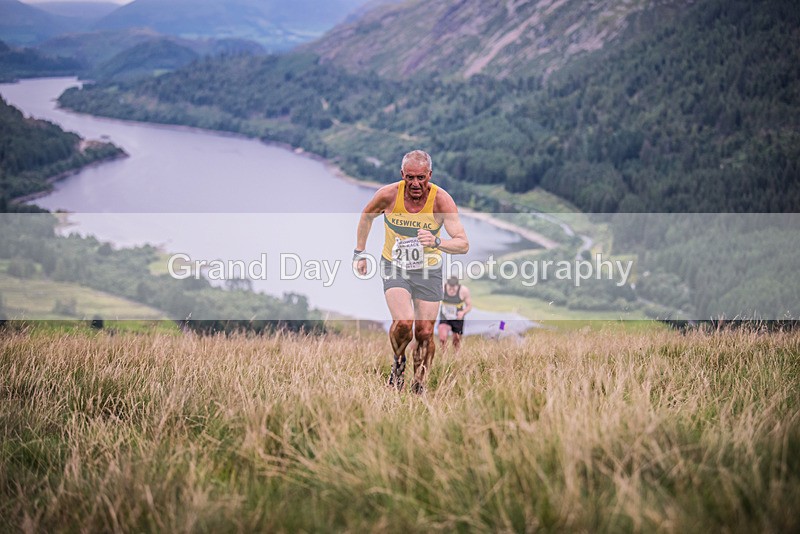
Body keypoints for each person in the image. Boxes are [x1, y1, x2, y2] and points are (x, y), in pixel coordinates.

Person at [354, 150, 469, 393]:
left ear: (430, 175)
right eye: (410, 177)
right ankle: (398, 364)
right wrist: (359, 252)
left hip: (429, 269)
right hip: (394, 265)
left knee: (425, 331)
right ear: (402, 175)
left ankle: (419, 383)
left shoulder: (441, 201)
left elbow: (463, 244)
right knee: (404, 322)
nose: (415, 184)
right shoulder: (388, 195)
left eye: (421, 178)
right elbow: (366, 217)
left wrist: (437, 242)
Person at [438, 275, 472, 352]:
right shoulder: (442, 288)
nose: (452, 290)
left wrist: (463, 312)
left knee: (456, 340)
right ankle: (444, 355)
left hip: (457, 318)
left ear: (457, 286)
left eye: (454, 288)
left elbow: (469, 306)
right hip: (445, 317)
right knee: (442, 338)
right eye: (450, 288)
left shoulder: (464, 290)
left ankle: (456, 356)